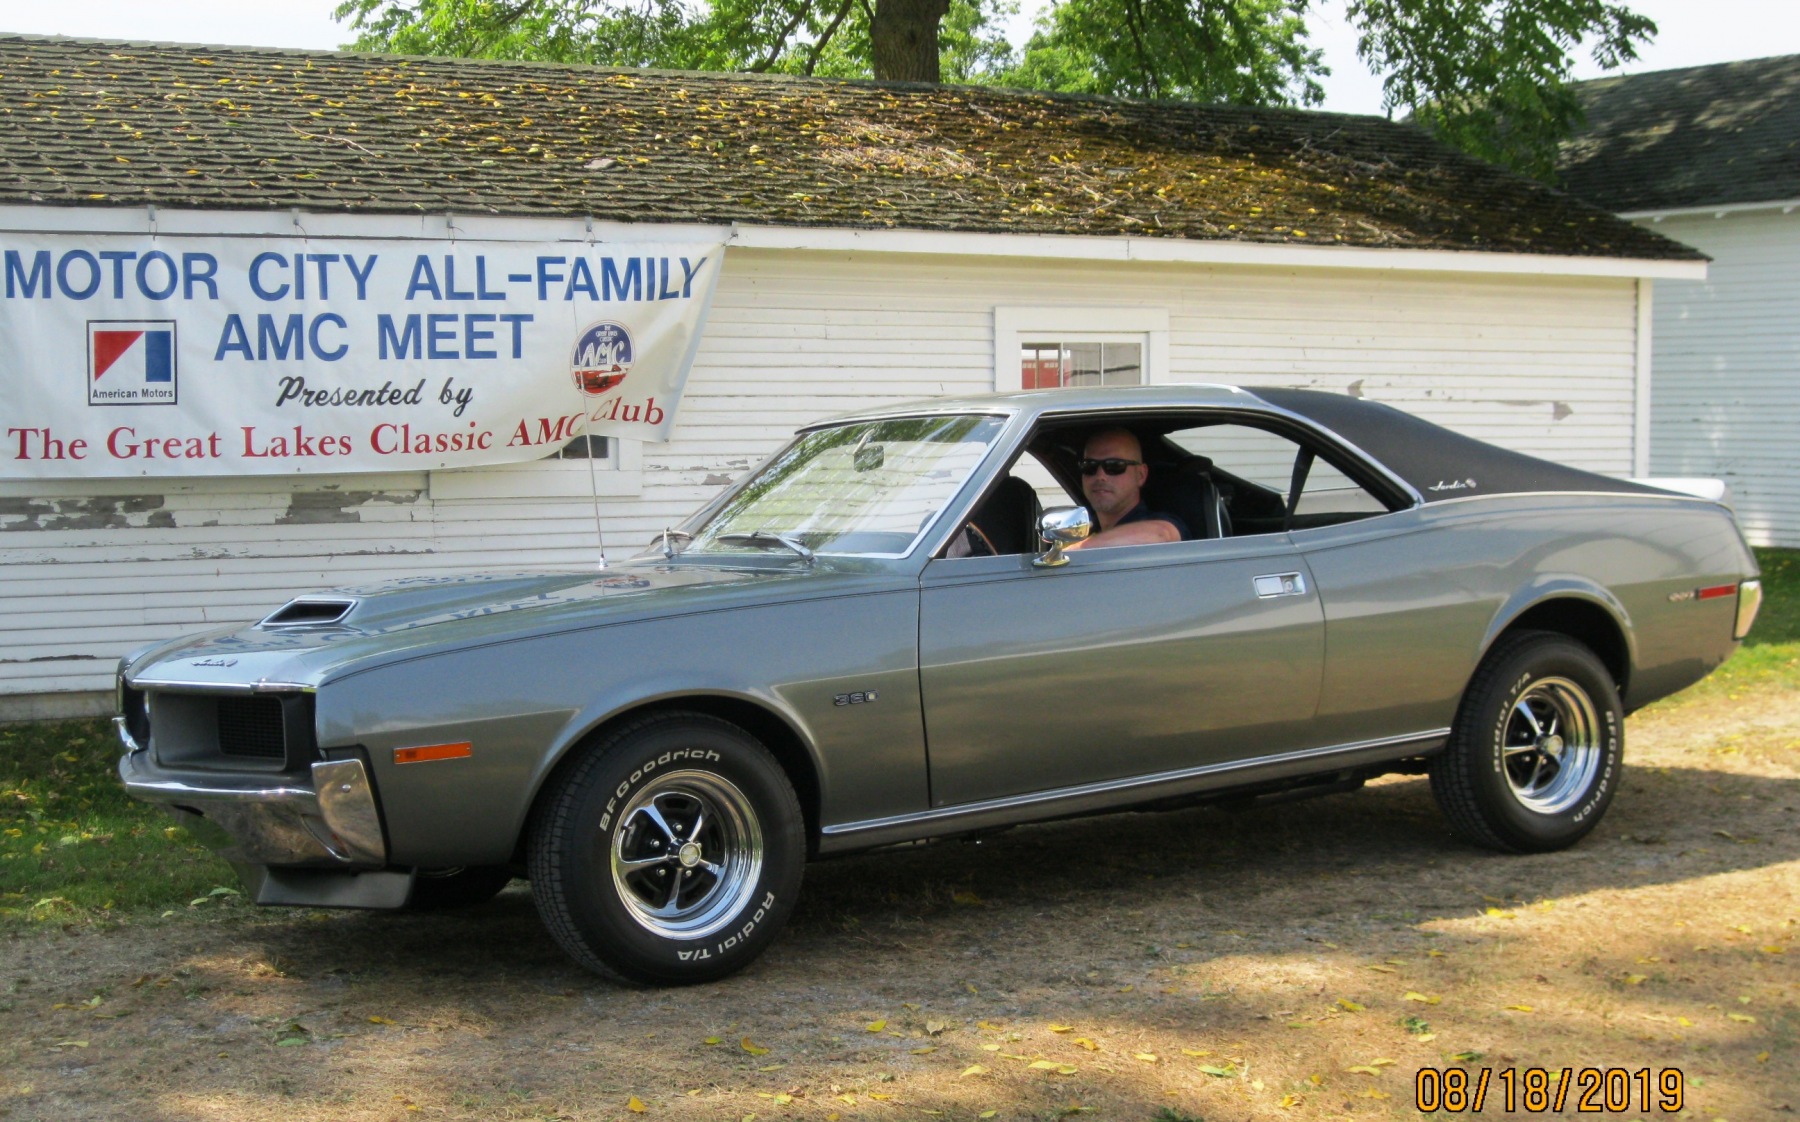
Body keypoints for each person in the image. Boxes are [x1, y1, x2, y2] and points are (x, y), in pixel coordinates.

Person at [1064, 428, 1187, 550]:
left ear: (1140, 475)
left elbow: (1162, 534)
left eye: (1115, 466)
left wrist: (1078, 550)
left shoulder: (1158, 523)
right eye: (1089, 466)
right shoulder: (1083, 530)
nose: (1100, 476)